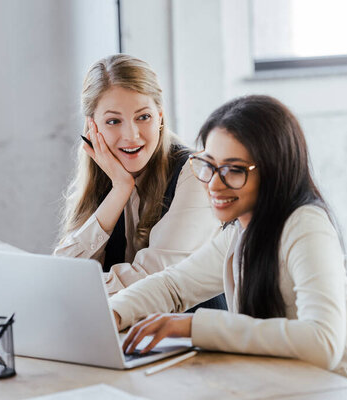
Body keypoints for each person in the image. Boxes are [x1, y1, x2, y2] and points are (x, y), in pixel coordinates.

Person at [110, 95, 347, 400]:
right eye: (208, 165)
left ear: (272, 170)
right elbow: (174, 286)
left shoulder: (305, 225)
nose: (214, 184)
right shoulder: (242, 228)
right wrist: (113, 313)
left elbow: (322, 343)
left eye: (234, 169)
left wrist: (194, 326)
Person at [54, 54, 226, 310]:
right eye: (113, 121)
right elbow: (63, 270)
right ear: (93, 129)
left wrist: (63, 289)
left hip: (194, 341)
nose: (131, 135)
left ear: (159, 117)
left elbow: (152, 283)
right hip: (129, 338)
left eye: (143, 117)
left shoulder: (196, 173)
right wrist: (120, 190)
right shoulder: (107, 176)